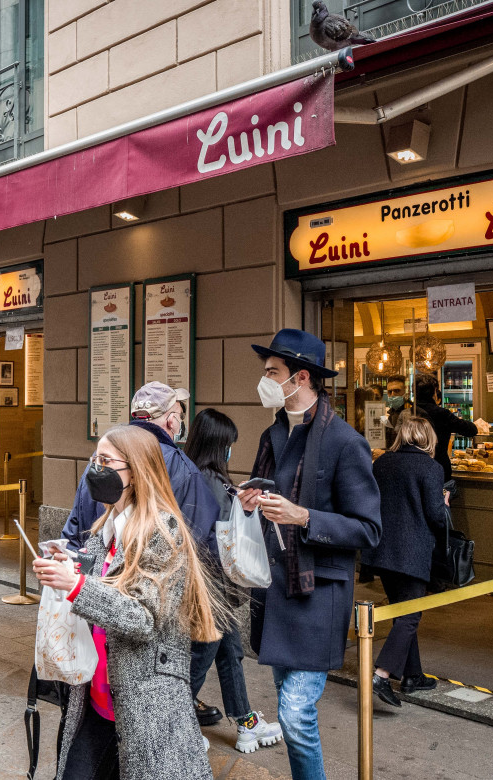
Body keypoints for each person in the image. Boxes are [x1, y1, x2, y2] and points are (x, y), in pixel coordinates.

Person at [33, 424, 221, 780]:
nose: (94, 468)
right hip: (97, 699)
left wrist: (76, 586)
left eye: (105, 460)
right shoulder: (106, 527)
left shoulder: (164, 533)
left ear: (135, 472)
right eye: (94, 459)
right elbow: (97, 580)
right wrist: (67, 565)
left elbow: (142, 617)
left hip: (144, 704)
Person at [237, 329, 381, 780]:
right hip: (274, 589)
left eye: (272, 373)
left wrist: (303, 516)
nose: (265, 380)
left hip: (317, 593)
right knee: (287, 700)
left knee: (295, 713)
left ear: (301, 378)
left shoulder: (344, 441)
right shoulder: (272, 433)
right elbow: (266, 492)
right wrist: (249, 499)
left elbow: (369, 529)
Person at [62, 381, 223, 725]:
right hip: (142, 643)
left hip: (97, 620)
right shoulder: (181, 468)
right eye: (179, 415)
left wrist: (75, 579)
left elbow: (73, 529)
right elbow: (198, 550)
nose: (99, 464)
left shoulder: (106, 465)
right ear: (169, 421)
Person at [183, 409, 283, 752]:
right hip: (213, 587)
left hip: (208, 586)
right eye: (229, 445)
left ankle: (245, 721)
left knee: (230, 652)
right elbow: (219, 536)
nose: (231, 452)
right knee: (201, 657)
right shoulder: (211, 481)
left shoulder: (193, 474)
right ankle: (175, 723)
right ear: (218, 445)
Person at [363, 415, 448, 709]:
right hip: (412, 551)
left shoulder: (383, 463)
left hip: (382, 549)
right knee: (410, 615)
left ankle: (413, 675)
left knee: (403, 611)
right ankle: (382, 674)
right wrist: (445, 502)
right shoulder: (431, 468)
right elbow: (436, 515)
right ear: (428, 438)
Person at [383, 375, 408, 447]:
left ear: (405, 391)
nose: (392, 394)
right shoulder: (389, 413)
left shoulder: (411, 412)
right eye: (390, 392)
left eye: (397, 391)